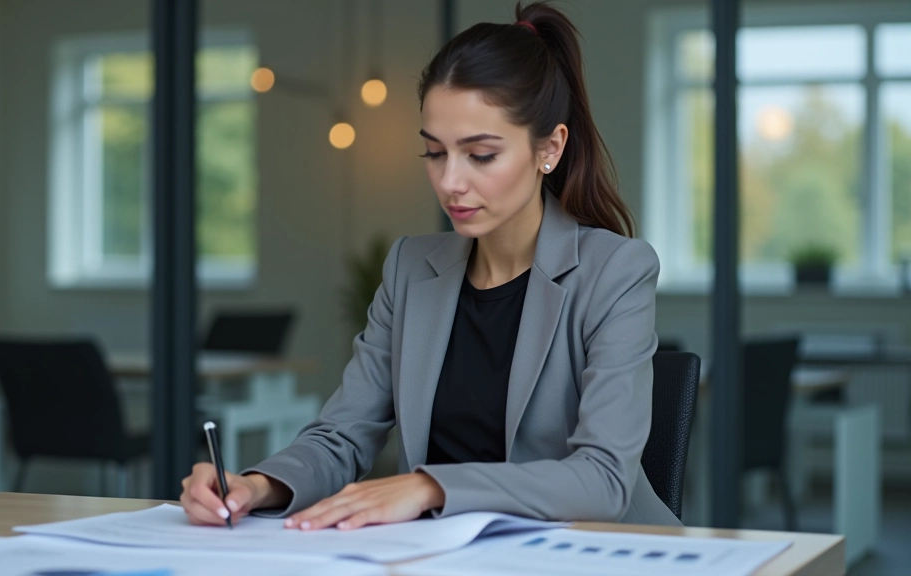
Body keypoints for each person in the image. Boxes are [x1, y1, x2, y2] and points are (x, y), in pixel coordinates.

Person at [181, 0, 681, 529]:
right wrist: (256, 486)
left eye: (480, 154)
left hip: (588, 555)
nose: (450, 182)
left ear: (549, 149)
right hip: (448, 555)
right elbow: (343, 435)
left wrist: (430, 487)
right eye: (435, 153)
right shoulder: (411, 269)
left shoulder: (615, 271)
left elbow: (602, 479)